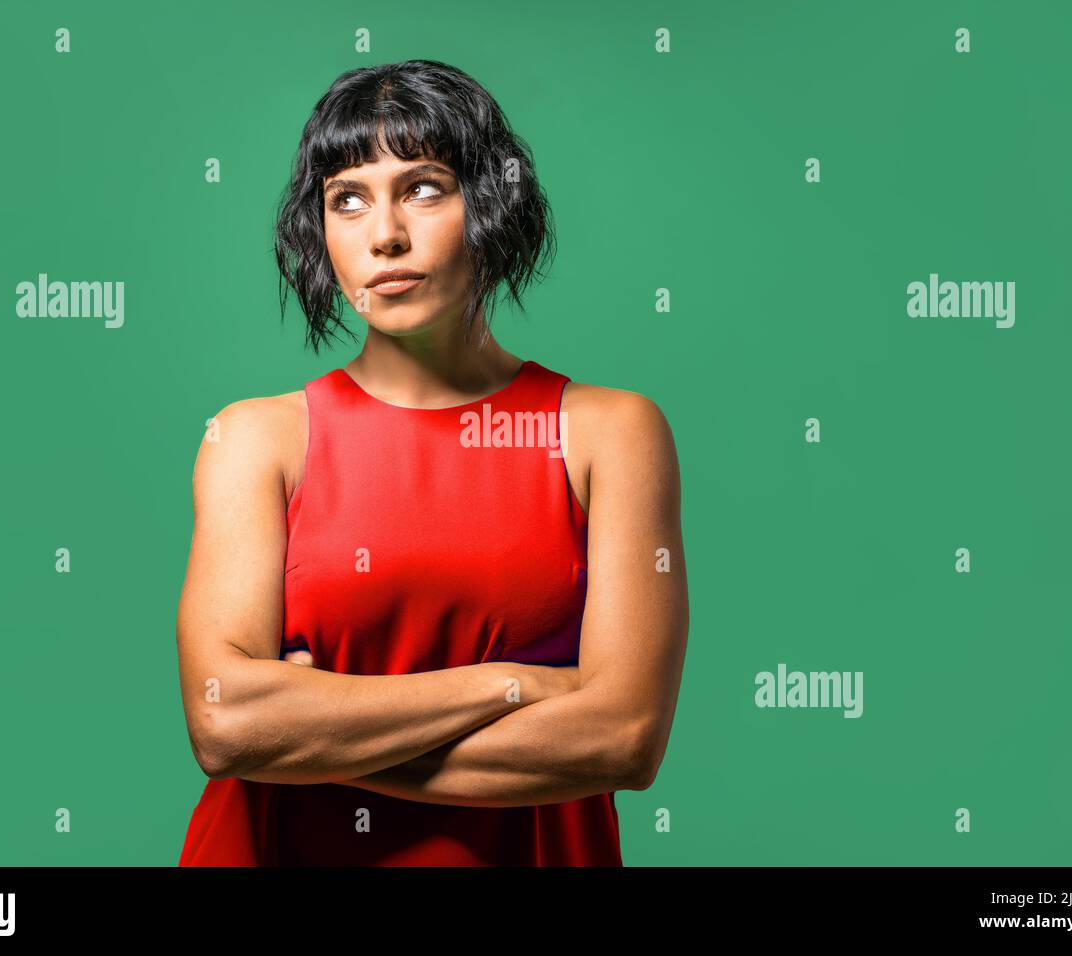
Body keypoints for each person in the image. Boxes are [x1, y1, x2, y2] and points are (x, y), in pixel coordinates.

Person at [175, 59, 688, 865]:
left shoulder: (609, 432)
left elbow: (622, 739)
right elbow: (227, 725)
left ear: (490, 202)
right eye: (347, 198)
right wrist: (509, 685)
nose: (384, 234)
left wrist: (316, 733)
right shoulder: (254, 438)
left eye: (422, 188)